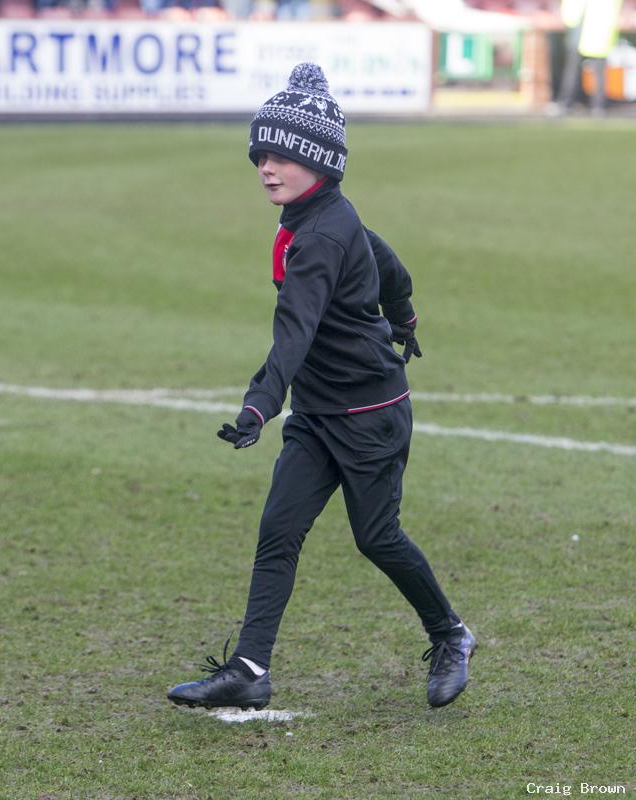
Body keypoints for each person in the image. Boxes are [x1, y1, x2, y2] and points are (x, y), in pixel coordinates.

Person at [166, 63, 475, 711]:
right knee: (279, 530)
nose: (265, 168)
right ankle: (250, 669)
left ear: (319, 162)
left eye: (280, 155)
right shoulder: (322, 217)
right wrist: (405, 315)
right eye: (259, 155)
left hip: (369, 414)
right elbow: (389, 260)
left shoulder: (320, 238)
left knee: (377, 537)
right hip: (318, 413)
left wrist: (258, 403)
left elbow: (295, 332)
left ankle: (451, 635)